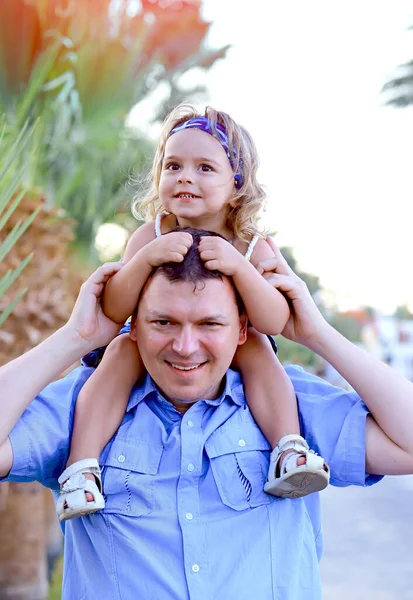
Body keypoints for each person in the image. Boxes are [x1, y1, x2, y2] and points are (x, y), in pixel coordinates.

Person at [1, 233, 413, 600]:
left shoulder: (288, 401)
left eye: (209, 324)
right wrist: (78, 337)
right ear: (133, 328)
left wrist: (316, 334)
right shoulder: (85, 402)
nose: (185, 345)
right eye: (163, 322)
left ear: (241, 329)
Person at [59, 104, 329, 520]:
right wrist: (146, 260)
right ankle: (81, 470)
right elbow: (116, 308)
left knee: (258, 347)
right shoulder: (150, 234)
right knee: (118, 352)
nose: (185, 176)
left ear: (236, 184)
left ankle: (288, 450)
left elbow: (274, 321)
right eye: (173, 166)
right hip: (153, 340)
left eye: (204, 168)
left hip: (231, 342)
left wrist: (239, 267)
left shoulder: (252, 245)